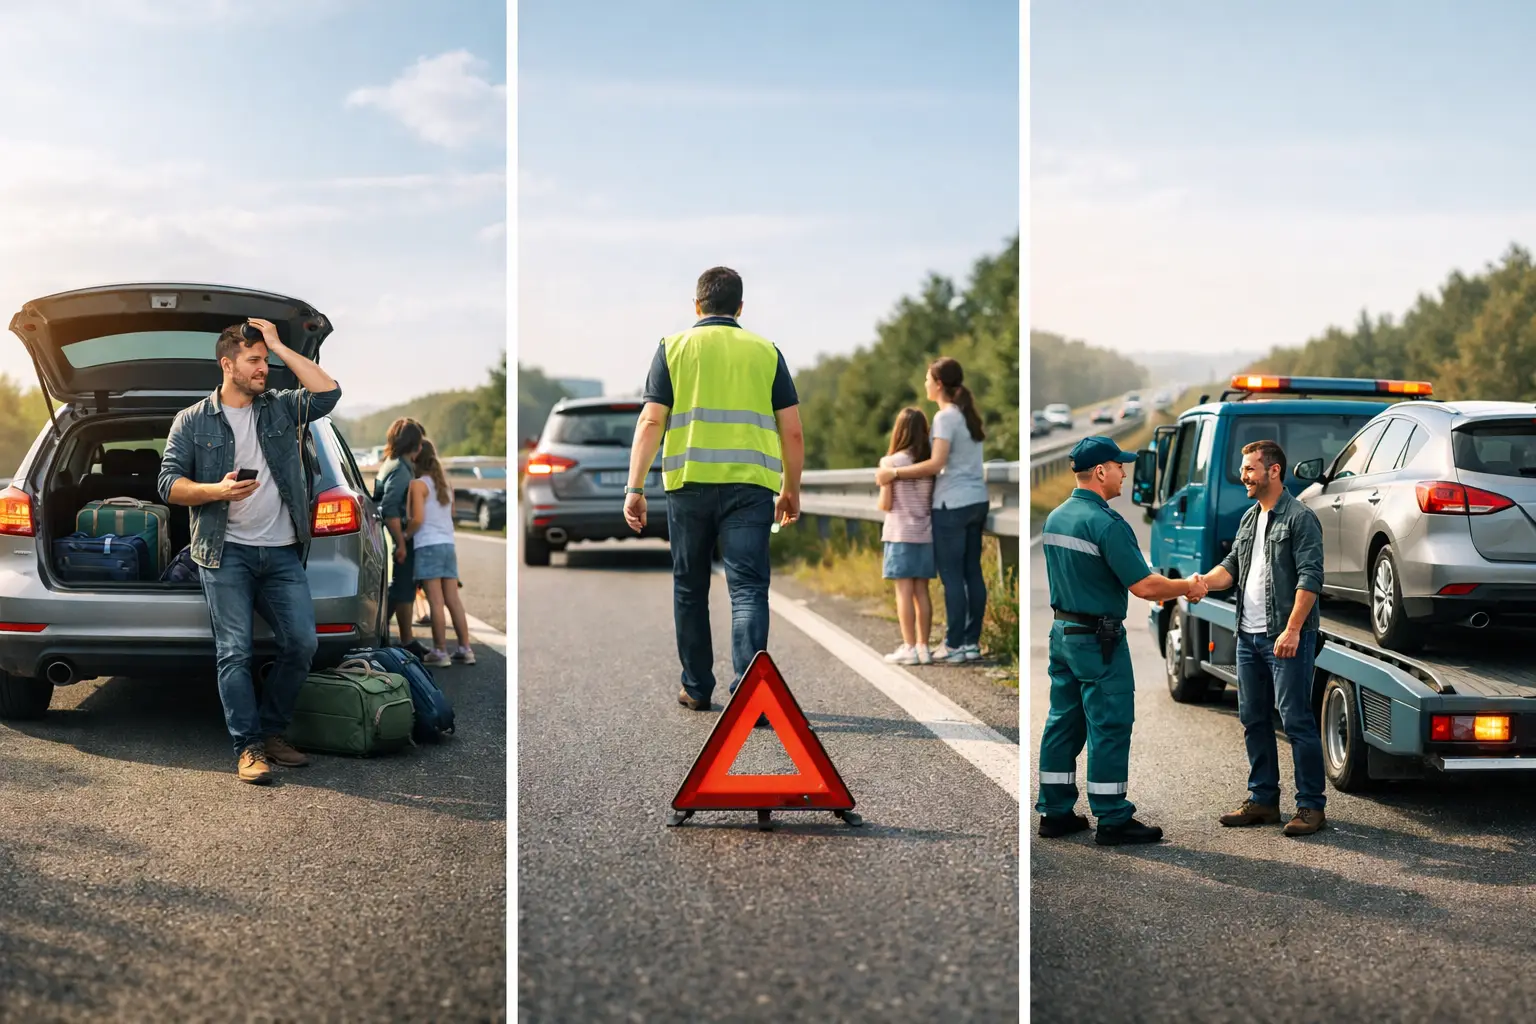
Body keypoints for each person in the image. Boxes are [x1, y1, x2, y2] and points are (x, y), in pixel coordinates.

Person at [159, 317, 341, 784]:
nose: (265, 368)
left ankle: (274, 732)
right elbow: (168, 484)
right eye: (255, 360)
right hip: (225, 554)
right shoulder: (193, 420)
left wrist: (279, 343)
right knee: (234, 652)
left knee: (302, 643)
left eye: (266, 359)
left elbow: (328, 394)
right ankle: (249, 747)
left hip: (281, 552)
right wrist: (214, 491)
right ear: (228, 364)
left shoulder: (280, 409)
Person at [623, 266, 805, 712]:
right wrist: (791, 489)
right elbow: (793, 431)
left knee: (690, 587)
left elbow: (651, 420)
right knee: (748, 589)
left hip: (689, 487)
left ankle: (697, 687)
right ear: (741, 308)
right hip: (751, 488)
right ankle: (750, 691)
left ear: (697, 305)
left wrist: (635, 487)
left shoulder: (674, 348)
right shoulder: (766, 351)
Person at [1035, 436, 1208, 845]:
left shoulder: (1055, 517)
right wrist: (1187, 586)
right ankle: (1112, 818)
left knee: (1063, 722)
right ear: (1100, 472)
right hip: (1100, 640)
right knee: (1110, 725)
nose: (1124, 473)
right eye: (1118, 466)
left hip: (1063, 634)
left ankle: (1054, 812)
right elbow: (1146, 586)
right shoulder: (1107, 524)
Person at [1192, 439, 1328, 837]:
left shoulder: (1300, 518)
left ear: (1273, 471)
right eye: (1243, 468)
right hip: (1248, 637)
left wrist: (1293, 629)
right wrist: (1200, 583)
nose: (1243, 476)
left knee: (1296, 720)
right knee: (1252, 718)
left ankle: (1311, 807)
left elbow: (1311, 578)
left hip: (1283, 638)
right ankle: (1263, 800)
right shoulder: (1250, 518)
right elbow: (1231, 567)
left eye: (1250, 469)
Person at [874, 357, 988, 664]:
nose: (924, 384)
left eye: (927, 379)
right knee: (972, 573)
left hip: (952, 504)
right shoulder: (968, 415)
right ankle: (971, 643)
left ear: (938, 384)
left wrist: (893, 474)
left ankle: (953, 645)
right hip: (978, 499)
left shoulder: (945, 417)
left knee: (952, 576)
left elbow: (936, 464)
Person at [407, 439, 475, 668]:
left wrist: (405, 535)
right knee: (452, 600)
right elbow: (451, 512)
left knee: (435, 601)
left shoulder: (418, 485)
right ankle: (465, 649)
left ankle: (440, 651)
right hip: (448, 545)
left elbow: (417, 518)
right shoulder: (445, 484)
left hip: (428, 546)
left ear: (416, 458)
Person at [877, 407, 935, 665]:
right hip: (925, 533)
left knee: (904, 593)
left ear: (898, 432)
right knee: (922, 591)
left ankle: (909, 648)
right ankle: (924, 647)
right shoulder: (928, 462)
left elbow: (886, 504)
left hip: (900, 532)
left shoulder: (890, 463)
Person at [374, 417, 428, 656]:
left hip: (394, 535)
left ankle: (378, 632)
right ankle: (407, 641)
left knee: (399, 589)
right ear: (416, 445)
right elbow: (390, 506)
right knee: (404, 588)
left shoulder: (391, 463)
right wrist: (401, 541)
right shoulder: (401, 470)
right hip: (400, 535)